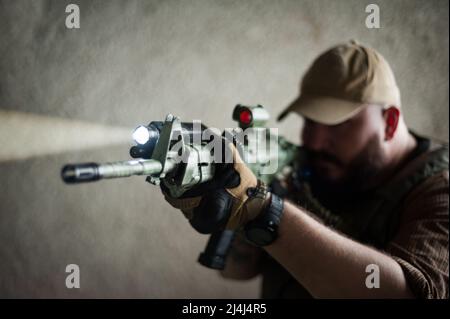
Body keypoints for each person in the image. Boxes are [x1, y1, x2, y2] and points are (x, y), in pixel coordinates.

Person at [163, 40, 449, 298]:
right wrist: (238, 208)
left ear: (389, 122)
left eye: (336, 124)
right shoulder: (318, 170)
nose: (313, 140)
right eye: (310, 122)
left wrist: (263, 210)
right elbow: (236, 273)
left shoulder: (439, 190)